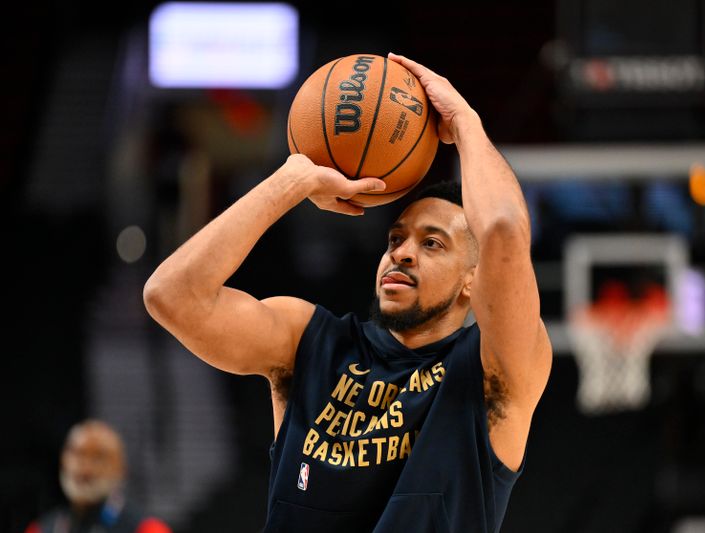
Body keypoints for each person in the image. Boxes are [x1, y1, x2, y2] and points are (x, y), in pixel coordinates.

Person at [143, 52, 552, 532]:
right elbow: (170, 295)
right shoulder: (310, 343)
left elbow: (503, 230)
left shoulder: (491, 373)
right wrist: (291, 181)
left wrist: (465, 123)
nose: (401, 253)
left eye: (432, 243)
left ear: (473, 280)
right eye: (395, 239)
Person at [25, 420, 171, 533]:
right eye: (77, 454)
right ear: (63, 461)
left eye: (98, 457)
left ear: (121, 469)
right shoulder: (42, 529)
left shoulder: (147, 529)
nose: (85, 468)